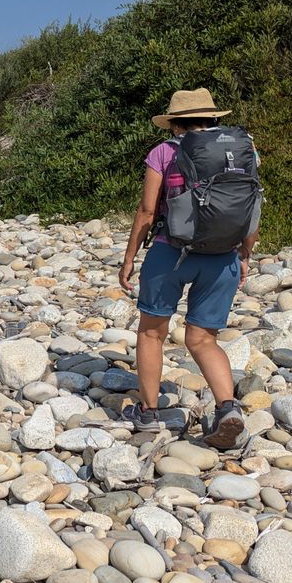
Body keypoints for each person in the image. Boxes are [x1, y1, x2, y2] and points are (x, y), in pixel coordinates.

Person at [117, 88, 258, 449]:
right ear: (212, 119)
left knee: (152, 333)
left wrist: (130, 257)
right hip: (222, 255)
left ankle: (149, 415)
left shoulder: (164, 152)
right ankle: (228, 409)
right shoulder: (241, 152)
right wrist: (244, 255)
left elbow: (148, 211)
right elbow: (250, 207)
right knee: (202, 338)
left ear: (174, 121)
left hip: (170, 254)